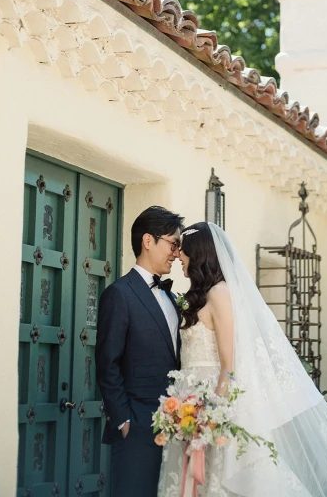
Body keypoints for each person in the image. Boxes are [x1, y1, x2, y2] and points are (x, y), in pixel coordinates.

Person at [159, 222, 327, 497]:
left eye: (184, 250)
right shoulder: (200, 296)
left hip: (213, 403)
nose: (179, 255)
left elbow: (229, 366)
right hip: (190, 402)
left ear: (199, 253)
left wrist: (211, 416)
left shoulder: (220, 294)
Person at [96, 205, 184, 497]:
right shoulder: (119, 294)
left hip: (176, 427)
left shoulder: (172, 297)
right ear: (148, 241)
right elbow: (107, 363)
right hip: (137, 428)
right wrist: (124, 420)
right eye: (173, 244)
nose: (176, 253)